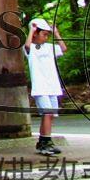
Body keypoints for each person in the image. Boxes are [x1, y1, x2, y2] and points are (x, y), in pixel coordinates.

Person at [26, 17, 66, 156]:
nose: (46, 37)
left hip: (53, 86)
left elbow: (63, 48)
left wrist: (56, 33)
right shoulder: (30, 48)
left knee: (50, 115)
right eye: (44, 34)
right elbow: (27, 46)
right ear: (36, 33)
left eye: (47, 35)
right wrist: (32, 30)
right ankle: (46, 142)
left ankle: (43, 142)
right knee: (47, 113)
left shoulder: (49, 47)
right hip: (40, 87)